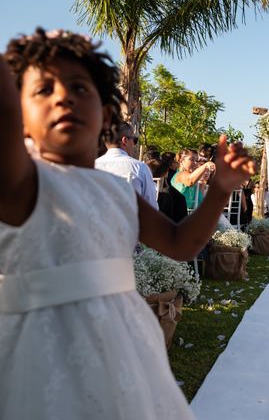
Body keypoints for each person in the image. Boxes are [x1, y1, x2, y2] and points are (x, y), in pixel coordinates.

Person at [0, 28, 255, 419]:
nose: (63, 96)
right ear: (20, 115)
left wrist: (220, 189)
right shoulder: (22, 181)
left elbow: (180, 243)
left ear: (105, 112)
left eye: (79, 87)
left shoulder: (115, 192)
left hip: (122, 346)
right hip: (38, 353)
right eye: (43, 90)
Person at [95, 121, 158, 209]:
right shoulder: (139, 168)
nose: (134, 145)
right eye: (135, 140)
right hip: (129, 221)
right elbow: (152, 208)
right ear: (125, 141)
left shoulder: (92, 166)